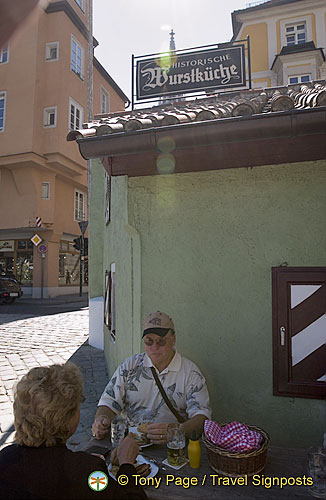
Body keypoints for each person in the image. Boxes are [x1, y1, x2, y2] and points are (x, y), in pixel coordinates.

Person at [0, 363, 147, 500]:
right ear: (67, 418)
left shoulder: (5, 458)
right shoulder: (86, 473)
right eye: (78, 404)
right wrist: (126, 464)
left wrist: (82, 461)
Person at [92, 311, 212, 444]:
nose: (154, 347)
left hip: (172, 448)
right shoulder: (130, 366)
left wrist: (178, 431)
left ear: (173, 340)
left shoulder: (190, 373)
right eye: (149, 341)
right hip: (133, 445)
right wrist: (102, 419)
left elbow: (202, 417)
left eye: (161, 341)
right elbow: (109, 402)